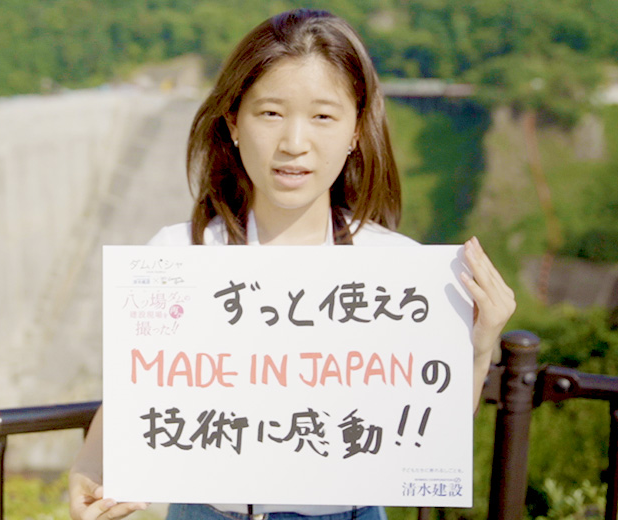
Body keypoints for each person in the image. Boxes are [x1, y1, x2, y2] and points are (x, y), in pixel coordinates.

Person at [69, 8, 515, 520]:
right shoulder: (176, 256)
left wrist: (479, 348)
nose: (294, 144)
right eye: (270, 114)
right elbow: (137, 391)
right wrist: (90, 467)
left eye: (323, 117)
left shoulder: (398, 270)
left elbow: (425, 429)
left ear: (356, 130)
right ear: (233, 122)